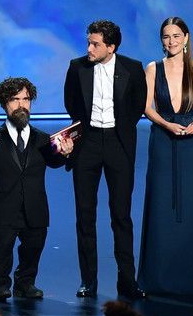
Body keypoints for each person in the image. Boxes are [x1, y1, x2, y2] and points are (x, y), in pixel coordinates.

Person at [63, 19, 147, 299]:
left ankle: (127, 281)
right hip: (86, 144)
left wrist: (119, 128)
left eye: (95, 44)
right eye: (88, 42)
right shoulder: (77, 67)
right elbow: (71, 102)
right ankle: (88, 281)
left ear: (111, 47)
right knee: (85, 215)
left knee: (121, 215)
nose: (89, 48)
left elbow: (137, 105)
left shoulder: (132, 68)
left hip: (117, 144)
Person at [137, 16, 193, 295]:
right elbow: (147, 107)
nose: (171, 41)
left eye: (176, 36)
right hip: (163, 139)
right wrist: (167, 125)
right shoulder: (153, 68)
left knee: (192, 205)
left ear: (186, 38)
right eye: (166, 37)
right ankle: (159, 278)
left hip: (192, 142)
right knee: (162, 204)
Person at [0, 77, 71, 301]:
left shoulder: (43, 139)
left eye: (26, 99)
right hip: (5, 206)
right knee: (2, 249)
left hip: (35, 205)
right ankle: (1, 285)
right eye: (15, 99)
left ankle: (25, 283)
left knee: (34, 247)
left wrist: (66, 153)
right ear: (4, 104)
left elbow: (54, 162)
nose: (22, 105)